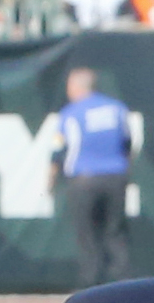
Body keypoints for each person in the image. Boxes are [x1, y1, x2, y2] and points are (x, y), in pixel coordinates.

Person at [51, 65, 132, 285]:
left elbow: (58, 150)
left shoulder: (71, 113)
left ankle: (90, 285)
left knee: (87, 235)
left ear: (76, 87)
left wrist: (50, 180)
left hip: (84, 179)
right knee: (115, 233)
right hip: (116, 177)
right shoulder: (116, 109)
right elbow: (127, 144)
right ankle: (122, 284)